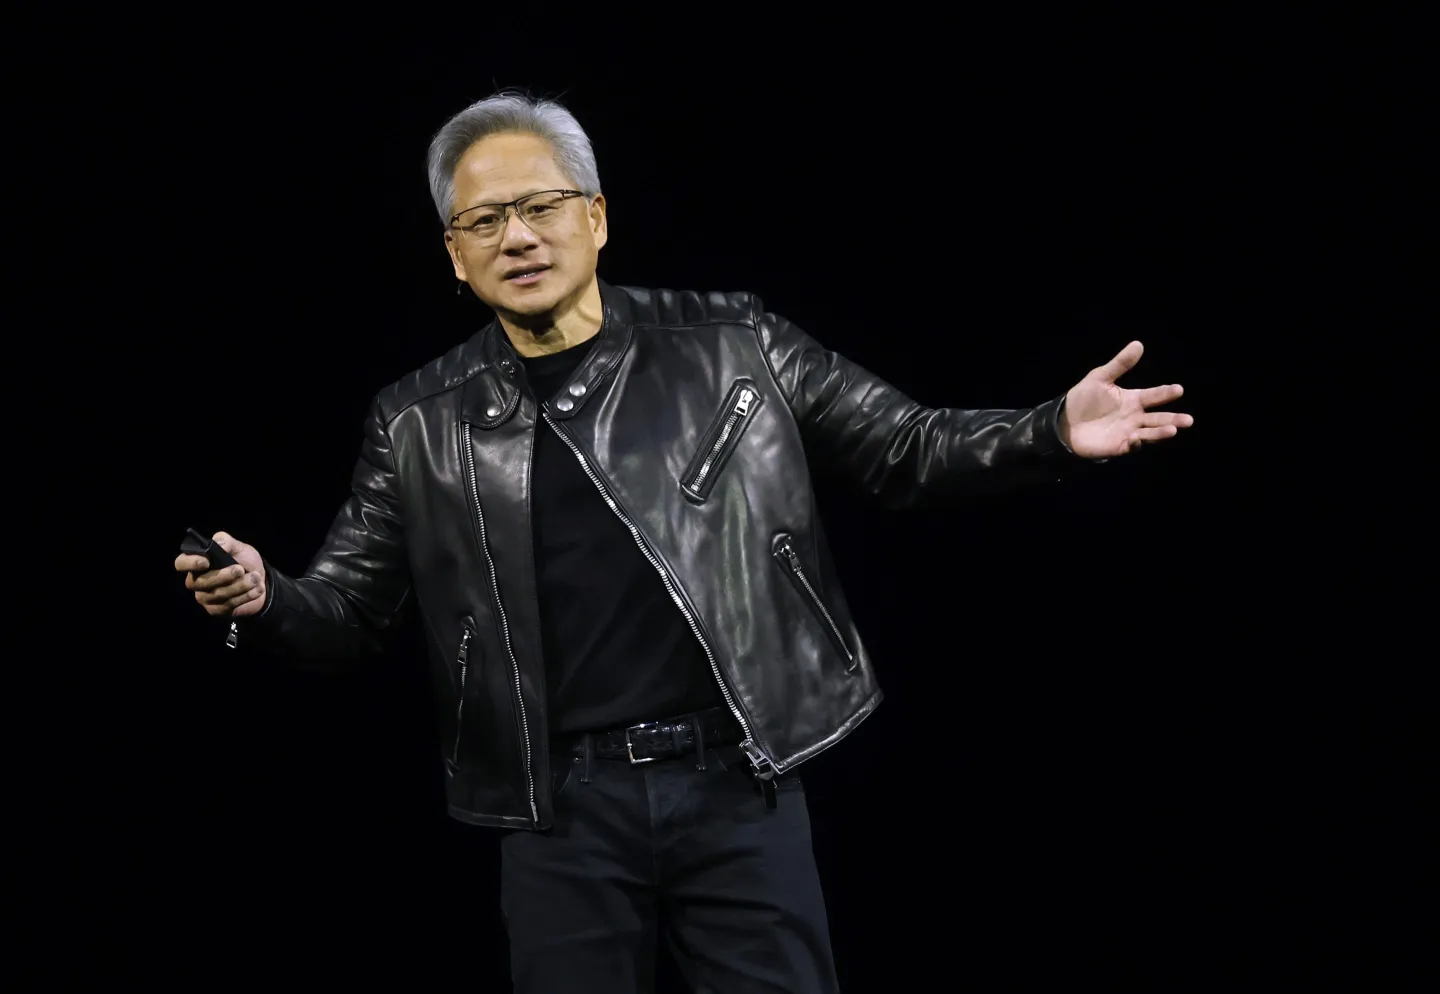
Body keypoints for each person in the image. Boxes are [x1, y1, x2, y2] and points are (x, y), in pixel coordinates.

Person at [174, 90, 1192, 993]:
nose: (517, 236)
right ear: (453, 252)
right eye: (483, 220)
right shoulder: (417, 421)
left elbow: (908, 447)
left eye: (540, 206)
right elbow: (347, 613)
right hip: (559, 812)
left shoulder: (732, 341)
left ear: (597, 216)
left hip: (737, 782)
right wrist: (267, 600)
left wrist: (1050, 429)